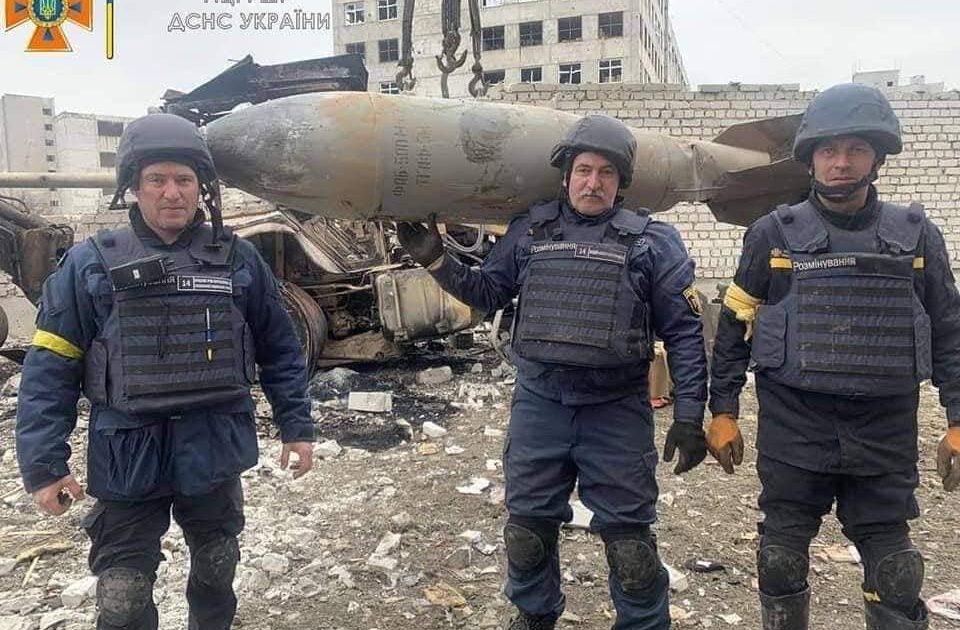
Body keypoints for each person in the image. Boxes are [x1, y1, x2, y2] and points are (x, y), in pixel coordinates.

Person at [397, 114, 708, 630]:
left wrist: (690, 416)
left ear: (622, 182)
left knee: (630, 546)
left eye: (606, 173)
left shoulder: (653, 242)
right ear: (566, 176)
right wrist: (435, 260)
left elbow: (685, 333)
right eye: (584, 170)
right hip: (541, 405)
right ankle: (534, 616)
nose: (593, 182)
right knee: (527, 530)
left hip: (615, 410)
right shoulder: (530, 230)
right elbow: (488, 292)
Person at [15, 113, 316, 630]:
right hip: (127, 453)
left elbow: (281, 348)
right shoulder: (90, 263)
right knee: (123, 595)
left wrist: (297, 427)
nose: (171, 192)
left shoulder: (238, 259)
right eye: (156, 179)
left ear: (202, 188)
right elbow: (51, 367)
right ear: (133, 187)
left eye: (184, 179)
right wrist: (44, 466)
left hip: (213, 446)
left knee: (217, 569)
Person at [707, 83, 960, 630]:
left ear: (877, 157)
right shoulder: (771, 234)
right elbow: (734, 324)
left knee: (896, 573)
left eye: (855, 149)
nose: (841, 162)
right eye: (828, 150)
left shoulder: (917, 237)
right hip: (795, 429)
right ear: (810, 158)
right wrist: (722, 410)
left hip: (883, 432)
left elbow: (949, 331)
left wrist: (959, 419)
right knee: (779, 560)